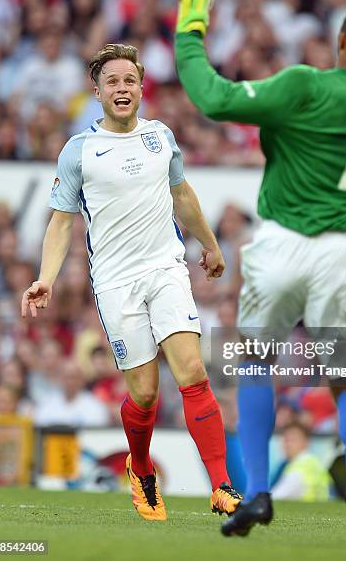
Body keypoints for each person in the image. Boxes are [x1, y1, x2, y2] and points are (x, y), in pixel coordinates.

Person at [175, 0, 346, 543]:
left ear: (341, 43)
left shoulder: (306, 85)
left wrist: (190, 33)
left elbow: (214, 99)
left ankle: (259, 492)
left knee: (256, 365)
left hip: (280, 244)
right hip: (342, 253)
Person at [21, 43, 241, 521]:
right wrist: (46, 278)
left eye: (129, 81)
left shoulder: (161, 137)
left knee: (192, 373)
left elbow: (182, 195)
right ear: (96, 92)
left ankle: (222, 485)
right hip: (116, 284)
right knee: (144, 393)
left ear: (141, 87)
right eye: (112, 83)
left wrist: (211, 244)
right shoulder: (79, 151)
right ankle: (141, 468)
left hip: (166, 270)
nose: (122, 89)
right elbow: (61, 223)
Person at [271, 422, 330, 502]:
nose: (288, 444)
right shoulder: (312, 462)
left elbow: (276, 497)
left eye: (293, 440)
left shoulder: (300, 468)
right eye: (286, 439)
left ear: (306, 442)